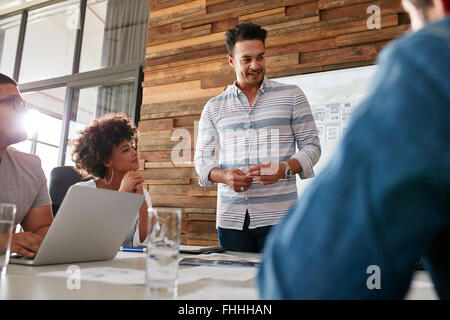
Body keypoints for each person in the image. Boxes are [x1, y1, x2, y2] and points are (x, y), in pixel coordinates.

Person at [258, 0, 450, 299]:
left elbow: (307, 282)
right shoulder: (216, 106)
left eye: (413, 16)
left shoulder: (431, 55)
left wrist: (285, 168)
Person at [194, 23, 321, 253]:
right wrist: (224, 176)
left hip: (281, 219)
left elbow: (312, 147)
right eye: (246, 59)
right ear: (231, 61)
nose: (255, 65)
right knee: (235, 288)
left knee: (278, 288)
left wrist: (284, 169)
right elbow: (202, 162)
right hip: (231, 221)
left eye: (260, 57)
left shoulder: (292, 96)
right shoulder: (213, 107)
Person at [69, 113, 155, 247]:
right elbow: (91, 242)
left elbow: (148, 243)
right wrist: (122, 194)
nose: (134, 152)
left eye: (132, 146)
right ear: (106, 160)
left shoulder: (141, 192)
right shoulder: (82, 191)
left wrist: (142, 204)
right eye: (126, 150)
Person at [0, 73, 53, 258]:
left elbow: (41, 228)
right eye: (16, 103)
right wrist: (4, 242)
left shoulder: (31, 166)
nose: (26, 112)